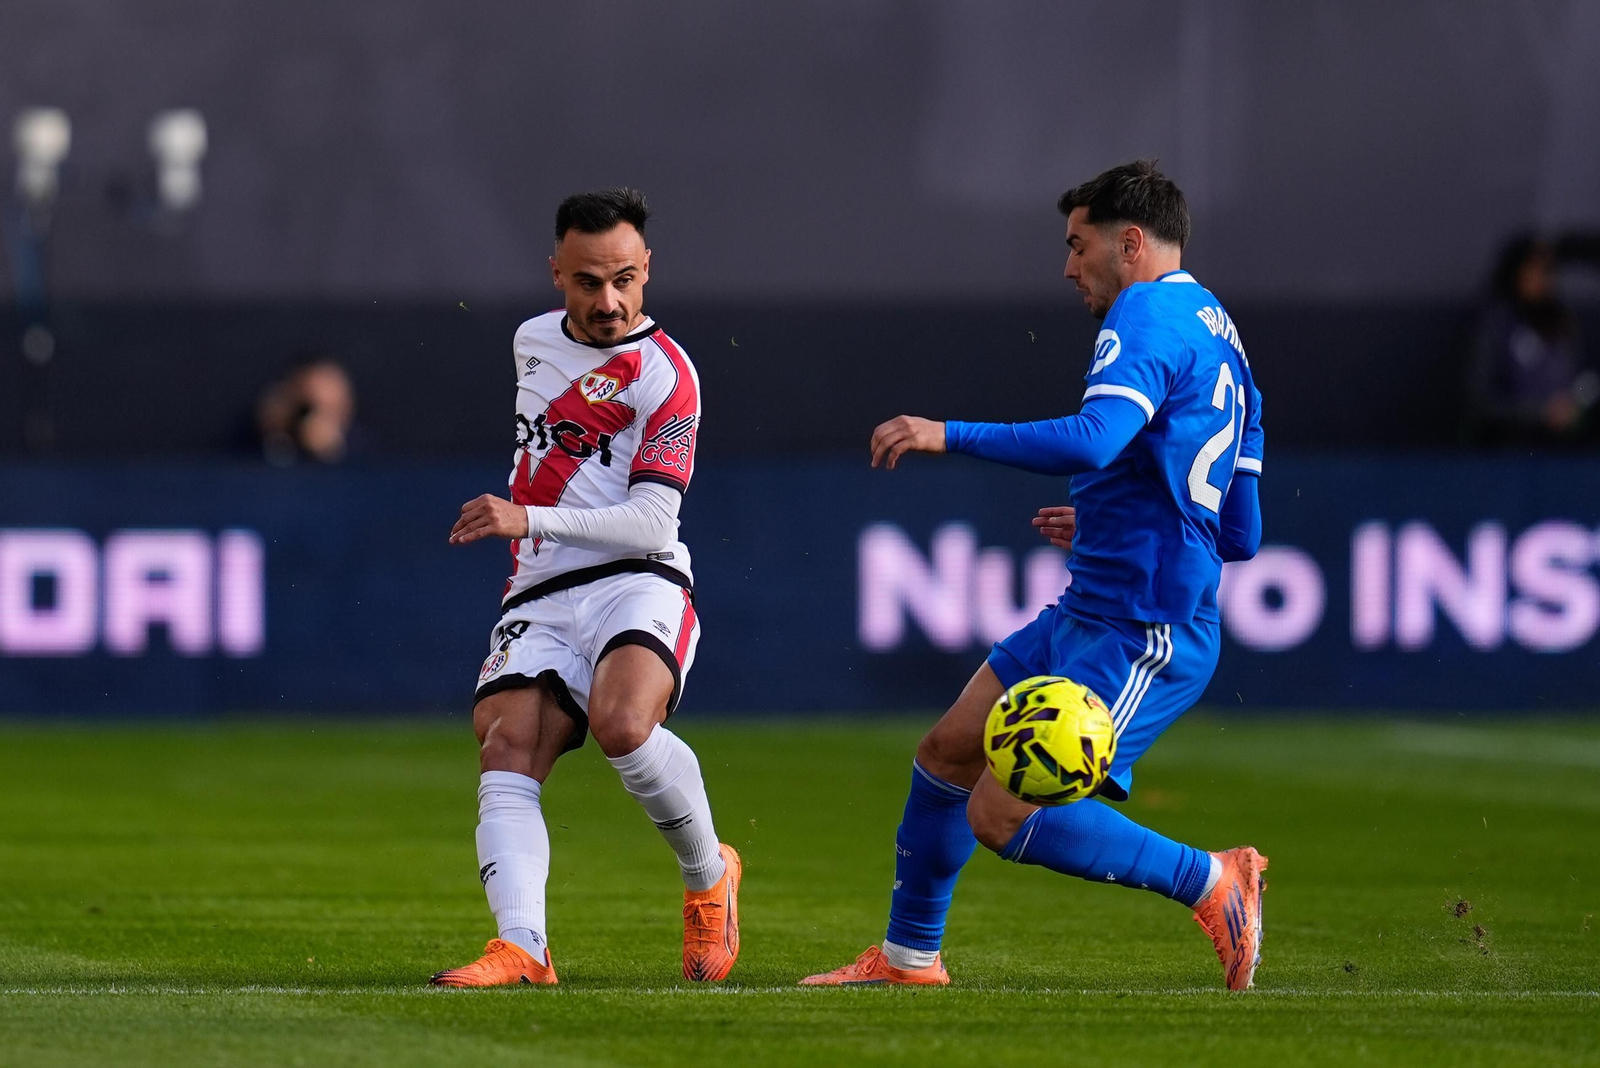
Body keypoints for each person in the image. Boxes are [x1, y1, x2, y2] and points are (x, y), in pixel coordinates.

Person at [801, 161, 1268, 991]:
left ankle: (1213, 880)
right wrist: (1116, 524)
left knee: (999, 813)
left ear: (1129, 242)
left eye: (1076, 244)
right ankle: (909, 961)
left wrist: (946, 431)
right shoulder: (1218, 329)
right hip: (1095, 600)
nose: (1067, 267)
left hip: (1140, 627)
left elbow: (1093, 439)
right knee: (947, 752)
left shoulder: (1147, 314)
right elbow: (1242, 530)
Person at [430, 188, 740, 987]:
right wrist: (531, 527)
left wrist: (524, 516)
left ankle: (709, 877)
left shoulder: (668, 376)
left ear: (647, 273)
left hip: (637, 576)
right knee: (506, 746)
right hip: (539, 590)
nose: (609, 302)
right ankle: (523, 946)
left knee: (623, 725)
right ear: (556, 274)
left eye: (625, 281)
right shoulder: (531, 341)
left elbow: (649, 522)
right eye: (588, 282)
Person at [1467, 233, 1600, 448]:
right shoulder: (1497, 324)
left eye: (1548, 271)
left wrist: (1576, 403)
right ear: (1516, 272)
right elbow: (1481, 399)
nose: (1543, 278)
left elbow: (1582, 382)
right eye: (1534, 269)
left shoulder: (1563, 322)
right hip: (1511, 451)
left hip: (1563, 449)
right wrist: (1539, 413)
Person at [254, 353, 367, 465]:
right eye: (311, 408)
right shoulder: (274, 440)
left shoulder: (362, 449)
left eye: (333, 407)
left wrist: (332, 450)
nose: (319, 421)